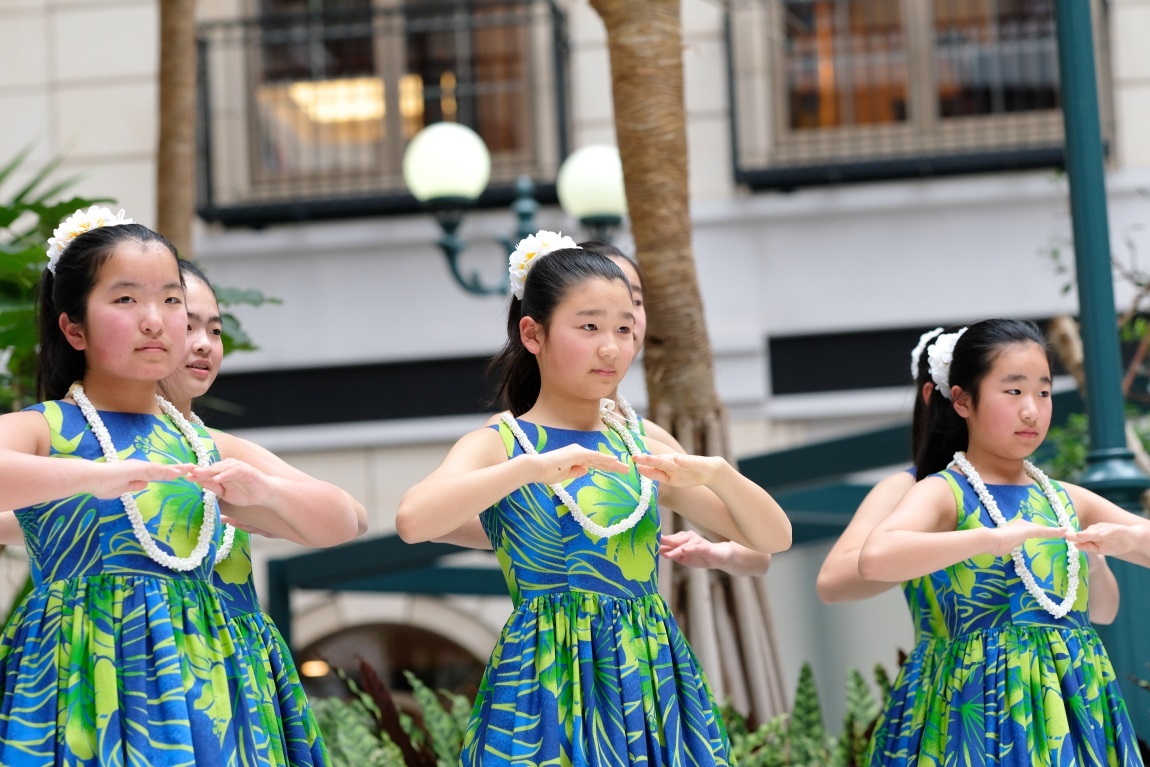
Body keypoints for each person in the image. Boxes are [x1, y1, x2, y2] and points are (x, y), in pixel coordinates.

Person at [396, 234, 791, 766]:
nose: (612, 347)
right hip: (544, 680)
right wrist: (529, 470)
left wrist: (717, 472)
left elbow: (772, 538)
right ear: (532, 334)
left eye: (624, 328)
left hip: (648, 673)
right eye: (589, 327)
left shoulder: (639, 440)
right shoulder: (503, 442)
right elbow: (413, 520)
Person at [0, 207, 356, 765]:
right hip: (81, 680)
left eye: (171, 301)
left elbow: (346, 520)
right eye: (125, 300)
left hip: (211, 685)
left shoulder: (205, 444)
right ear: (73, 328)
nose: (155, 320)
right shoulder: (49, 428)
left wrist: (266, 493)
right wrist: (94, 477)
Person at [816, 326, 1119, 765]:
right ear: (952, 398)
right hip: (958, 685)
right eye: (1011, 390)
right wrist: (967, 540)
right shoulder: (924, 490)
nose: (1029, 409)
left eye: (1042, 391)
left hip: (1061, 696)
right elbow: (844, 576)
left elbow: (1103, 607)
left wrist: (1095, 557)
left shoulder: (1055, 496)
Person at [438, 239, 772, 577]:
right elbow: (436, 520)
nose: (611, 341)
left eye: (633, 304)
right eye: (591, 322)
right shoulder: (511, 437)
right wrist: (541, 526)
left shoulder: (646, 439)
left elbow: (759, 547)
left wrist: (720, 553)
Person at [161, 258, 363, 766]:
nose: (204, 343)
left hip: (232, 674)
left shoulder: (220, 448)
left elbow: (352, 518)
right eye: (188, 326)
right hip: (138, 665)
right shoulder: (78, 437)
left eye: (214, 329)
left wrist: (266, 494)